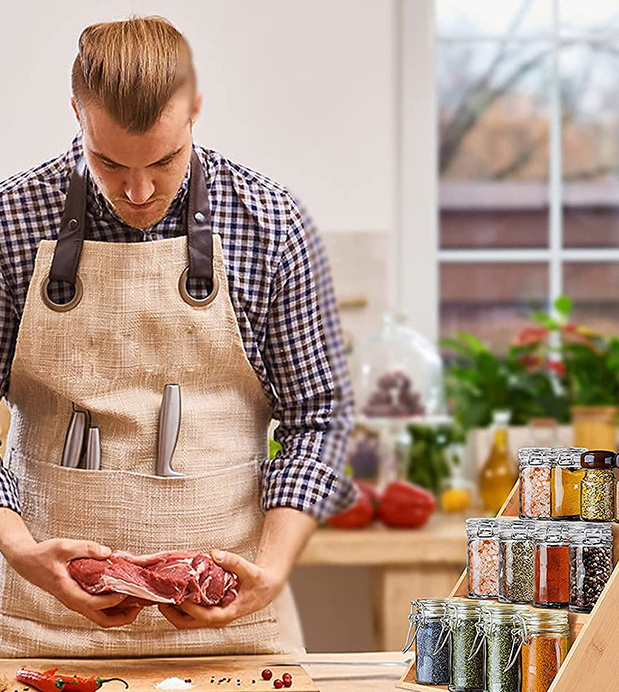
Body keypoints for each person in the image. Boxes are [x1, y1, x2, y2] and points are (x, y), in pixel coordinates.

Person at [0, 16, 356, 657]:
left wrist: (271, 569)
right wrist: (21, 549)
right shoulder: (12, 221)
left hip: (234, 633)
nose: (137, 191)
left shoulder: (270, 224)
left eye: (164, 161)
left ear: (196, 110)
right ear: (76, 112)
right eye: (107, 161)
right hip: (40, 632)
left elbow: (320, 416)